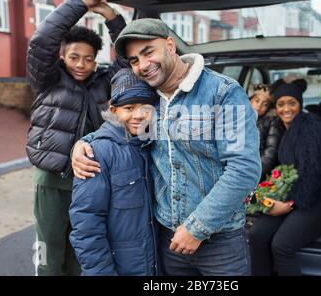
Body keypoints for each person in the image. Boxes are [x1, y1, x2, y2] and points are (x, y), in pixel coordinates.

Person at [72, 18, 261, 275]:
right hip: (167, 240)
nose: (143, 65)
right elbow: (123, 126)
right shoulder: (149, 98)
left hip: (219, 242)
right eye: (135, 60)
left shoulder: (223, 92)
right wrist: (86, 142)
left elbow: (244, 168)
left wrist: (197, 227)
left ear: (170, 46)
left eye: (148, 52)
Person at [26, 0, 127, 275]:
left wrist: (110, 15)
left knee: (80, 251)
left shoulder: (102, 84)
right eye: (74, 57)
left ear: (96, 61)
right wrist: (78, 6)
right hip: (52, 180)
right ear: (63, 55)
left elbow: (128, 59)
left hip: (88, 181)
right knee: (49, 254)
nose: (81, 64)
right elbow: (41, 41)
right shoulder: (48, 79)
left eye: (88, 59)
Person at [69, 69, 159, 275]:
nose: (139, 115)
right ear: (114, 110)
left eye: (146, 107)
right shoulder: (98, 152)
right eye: (129, 107)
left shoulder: (152, 144)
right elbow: (86, 224)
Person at [248, 78, 321, 276]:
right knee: (257, 235)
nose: (286, 109)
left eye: (292, 103)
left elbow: (316, 174)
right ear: (275, 107)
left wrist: (288, 205)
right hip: (292, 195)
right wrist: (265, 197)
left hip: (318, 199)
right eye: (281, 104)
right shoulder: (281, 129)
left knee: (282, 245)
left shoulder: (311, 127)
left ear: (300, 104)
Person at [249, 84, 283, 180]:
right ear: (250, 100)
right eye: (256, 101)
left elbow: (270, 151)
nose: (259, 106)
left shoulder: (271, 122)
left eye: (265, 104)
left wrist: (256, 173)